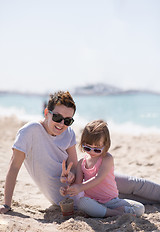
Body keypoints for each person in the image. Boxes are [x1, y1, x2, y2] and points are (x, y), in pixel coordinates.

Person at [0, 90, 160, 214]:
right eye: (57, 117)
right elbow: (13, 168)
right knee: (131, 200)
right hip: (72, 196)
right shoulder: (29, 131)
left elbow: (75, 166)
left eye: (67, 120)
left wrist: (71, 175)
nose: (61, 124)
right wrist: (7, 204)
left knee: (134, 184)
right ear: (46, 113)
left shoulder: (68, 133)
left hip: (85, 180)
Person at [60, 120, 145, 217]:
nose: (92, 152)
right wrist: (68, 189)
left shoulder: (107, 159)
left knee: (139, 208)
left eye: (97, 149)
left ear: (106, 145)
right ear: (82, 143)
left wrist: (80, 187)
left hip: (111, 201)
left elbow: (98, 178)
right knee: (82, 202)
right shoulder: (81, 163)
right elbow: (78, 184)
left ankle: (106, 212)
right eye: (87, 148)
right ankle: (114, 213)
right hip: (93, 201)